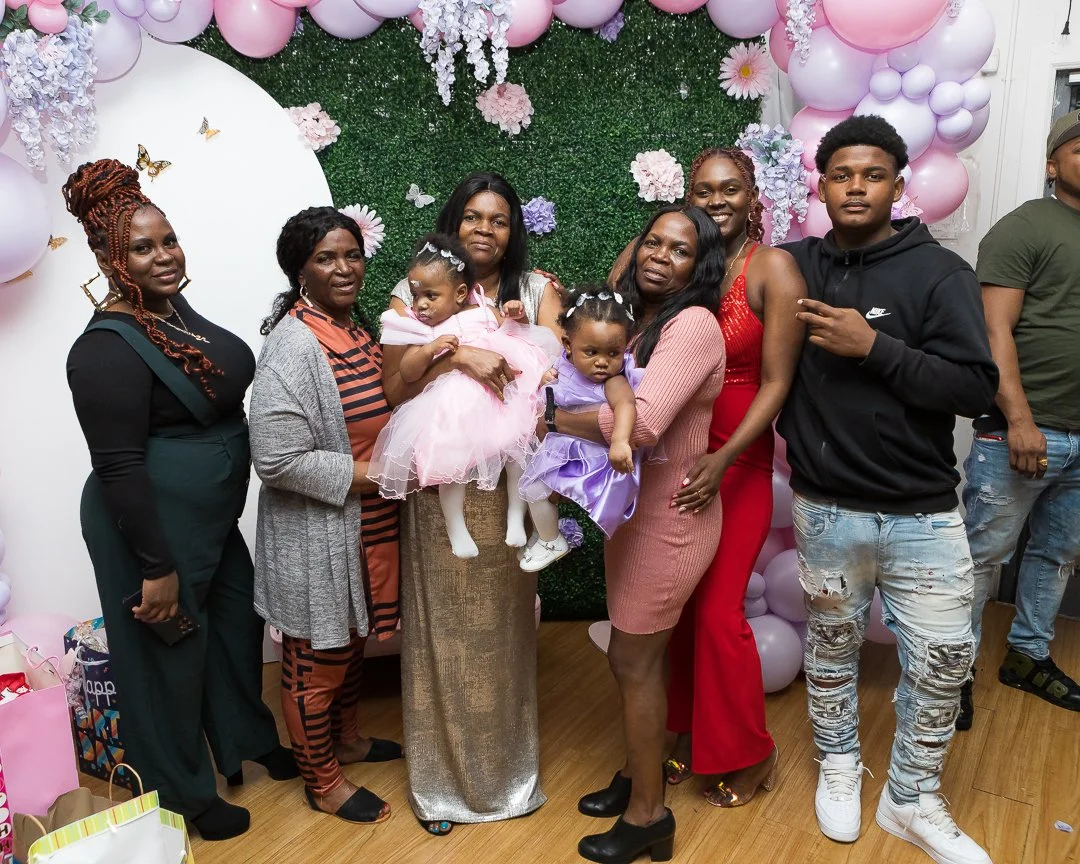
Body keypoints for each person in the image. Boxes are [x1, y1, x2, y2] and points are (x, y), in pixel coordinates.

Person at [779, 115, 998, 864]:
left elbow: (974, 389)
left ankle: (912, 797)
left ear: (899, 187)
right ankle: (839, 763)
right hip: (826, 509)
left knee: (944, 662)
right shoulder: (796, 265)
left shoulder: (940, 273)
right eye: (841, 175)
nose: (856, 187)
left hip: (923, 515)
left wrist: (875, 347)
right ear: (821, 186)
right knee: (831, 649)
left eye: (872, 175)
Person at [63, 159, 295, 841]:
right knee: (164, 657)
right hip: (148, 529)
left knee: (234, 626)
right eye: (143, 247)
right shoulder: (102, 349)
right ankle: (183, 793)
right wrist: (156, 567)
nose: (164, 255)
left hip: (207, 519)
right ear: (109, 260)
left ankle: (244, 740)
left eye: (169, 240)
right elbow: (117, 464)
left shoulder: (168, 310)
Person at [383, 173, 558, 835]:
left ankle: (508, 778)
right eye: (473, 217)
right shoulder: (415, 290)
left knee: (501, 633)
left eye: (499, 220)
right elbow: (395, 388)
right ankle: (440, 787)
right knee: (443, 630)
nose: (485, 230)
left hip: (508, 480)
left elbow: (558, 379)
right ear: (453, 224)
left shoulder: (533, 291)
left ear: (513, 232)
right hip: (442, 483)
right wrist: (460, 358)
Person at [553, 206, 727, 864]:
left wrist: (553, 418)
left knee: (634, 660)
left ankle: (649, 815)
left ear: (700, 267)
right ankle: (637, 773)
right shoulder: (638, 320)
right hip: (634, 514)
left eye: (680, 250)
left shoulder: (694, 324)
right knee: (632, 657)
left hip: (670, 520)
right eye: (653, 241)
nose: (660, 255)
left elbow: (645, 425)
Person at [656, 148, 806, 808]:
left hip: (736, 461)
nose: (717, 200)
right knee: (681, 606)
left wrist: (724, 459)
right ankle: (689, 728)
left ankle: (752, 750)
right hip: (677, 455)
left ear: (753, 197)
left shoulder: (772, 267)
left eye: (730, 189)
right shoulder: (687, 263)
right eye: (703, 190)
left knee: (719, 610)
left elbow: (778, 383)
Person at [249, 207, 401, 826]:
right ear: (300, 271)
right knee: (316, 660)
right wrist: (382, 473)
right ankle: (323, 781)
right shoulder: (293, 346)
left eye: (352, 255)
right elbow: (276, 460)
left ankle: (349, 740)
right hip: (318, 537)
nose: (344, 268)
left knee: (352, 641)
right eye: (326, 258)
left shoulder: (354, 328)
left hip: (367, 526)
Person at [959, 109, 1080, 730]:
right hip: (1024, 430)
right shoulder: (1026, 226)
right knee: (981, 558)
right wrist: (1019, 419)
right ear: (1052, 164)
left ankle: (1027, 657)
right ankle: (952, 673)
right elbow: (993, 330)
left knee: (1057, 555)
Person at [369, 234, 560, 562]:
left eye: (431, 295)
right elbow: (409, 372)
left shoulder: (483, 307)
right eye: (415, 295)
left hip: (500, 400)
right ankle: (455, 526)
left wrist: (516, 315)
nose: (420, 305)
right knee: (449, 464)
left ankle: (516, 516)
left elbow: (514, 334)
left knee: (519, 450)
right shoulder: (423, 329)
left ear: (459, 293)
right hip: (456, 408)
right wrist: (430, 349)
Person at [519, 287, 644, 544]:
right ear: (568, 345)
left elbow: (626, 405)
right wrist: (545, 378)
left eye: (613, 353)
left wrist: (620, 441)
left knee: (535, 487)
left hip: (592, 456)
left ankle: (550, 541)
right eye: (591, 352)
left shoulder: (614, 381)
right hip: (562, 446)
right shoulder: (563, 365)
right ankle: (548, 536)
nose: (602, 362)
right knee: (532, 488)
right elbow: (550, 388)